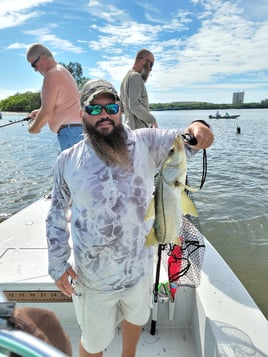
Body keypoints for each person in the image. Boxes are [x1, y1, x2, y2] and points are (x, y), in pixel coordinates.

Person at [46, 79, 214, 357]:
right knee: (93, 342)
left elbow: (190, 139)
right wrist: (57, 263)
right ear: (81, 114)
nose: (104, 115)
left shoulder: (146, 142)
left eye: (111, 107)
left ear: (121, 110)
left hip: (140, 269)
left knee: (136, 320)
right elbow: (55, 214)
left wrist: (199, 127)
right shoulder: (66, 160)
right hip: (94, 279)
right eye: (95, 108)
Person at [26, 43, 83, 152]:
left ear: (42, 58)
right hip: (74, 132)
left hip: (69, 134)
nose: (35, 70)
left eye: (33, 65)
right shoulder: (62, 71)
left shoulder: (51, 75)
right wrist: (39, 111)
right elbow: (64, 102)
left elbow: (46, 113)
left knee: (69, 169)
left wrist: (33, 129)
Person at [120, 49, 158, 129]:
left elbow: (121, 108)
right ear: (143, 60)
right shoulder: (135, 76)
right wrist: (152, 120)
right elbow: (134, 106)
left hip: (130, 130)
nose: (151, 69)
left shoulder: (126, 78)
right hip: (139, 132)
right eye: (151, 64)